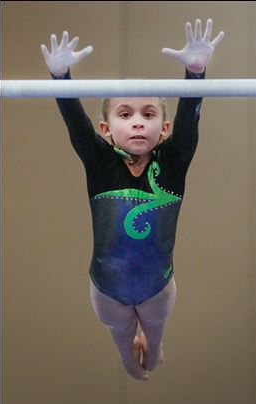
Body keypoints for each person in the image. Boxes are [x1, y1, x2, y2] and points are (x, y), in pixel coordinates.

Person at [41, 19, 224, 381]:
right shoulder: (99, 161)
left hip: (157, 286)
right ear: (106, 130)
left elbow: (190, 119)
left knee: (153, 339)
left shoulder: (173, 161)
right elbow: (76, 125)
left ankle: (154, 348)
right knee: (123, 340)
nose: (138, 123)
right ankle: (128, 357)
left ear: (165, 129)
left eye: (148, 114)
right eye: (126, 115)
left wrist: (195, 72)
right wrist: (60, 77)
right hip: (107, 290)